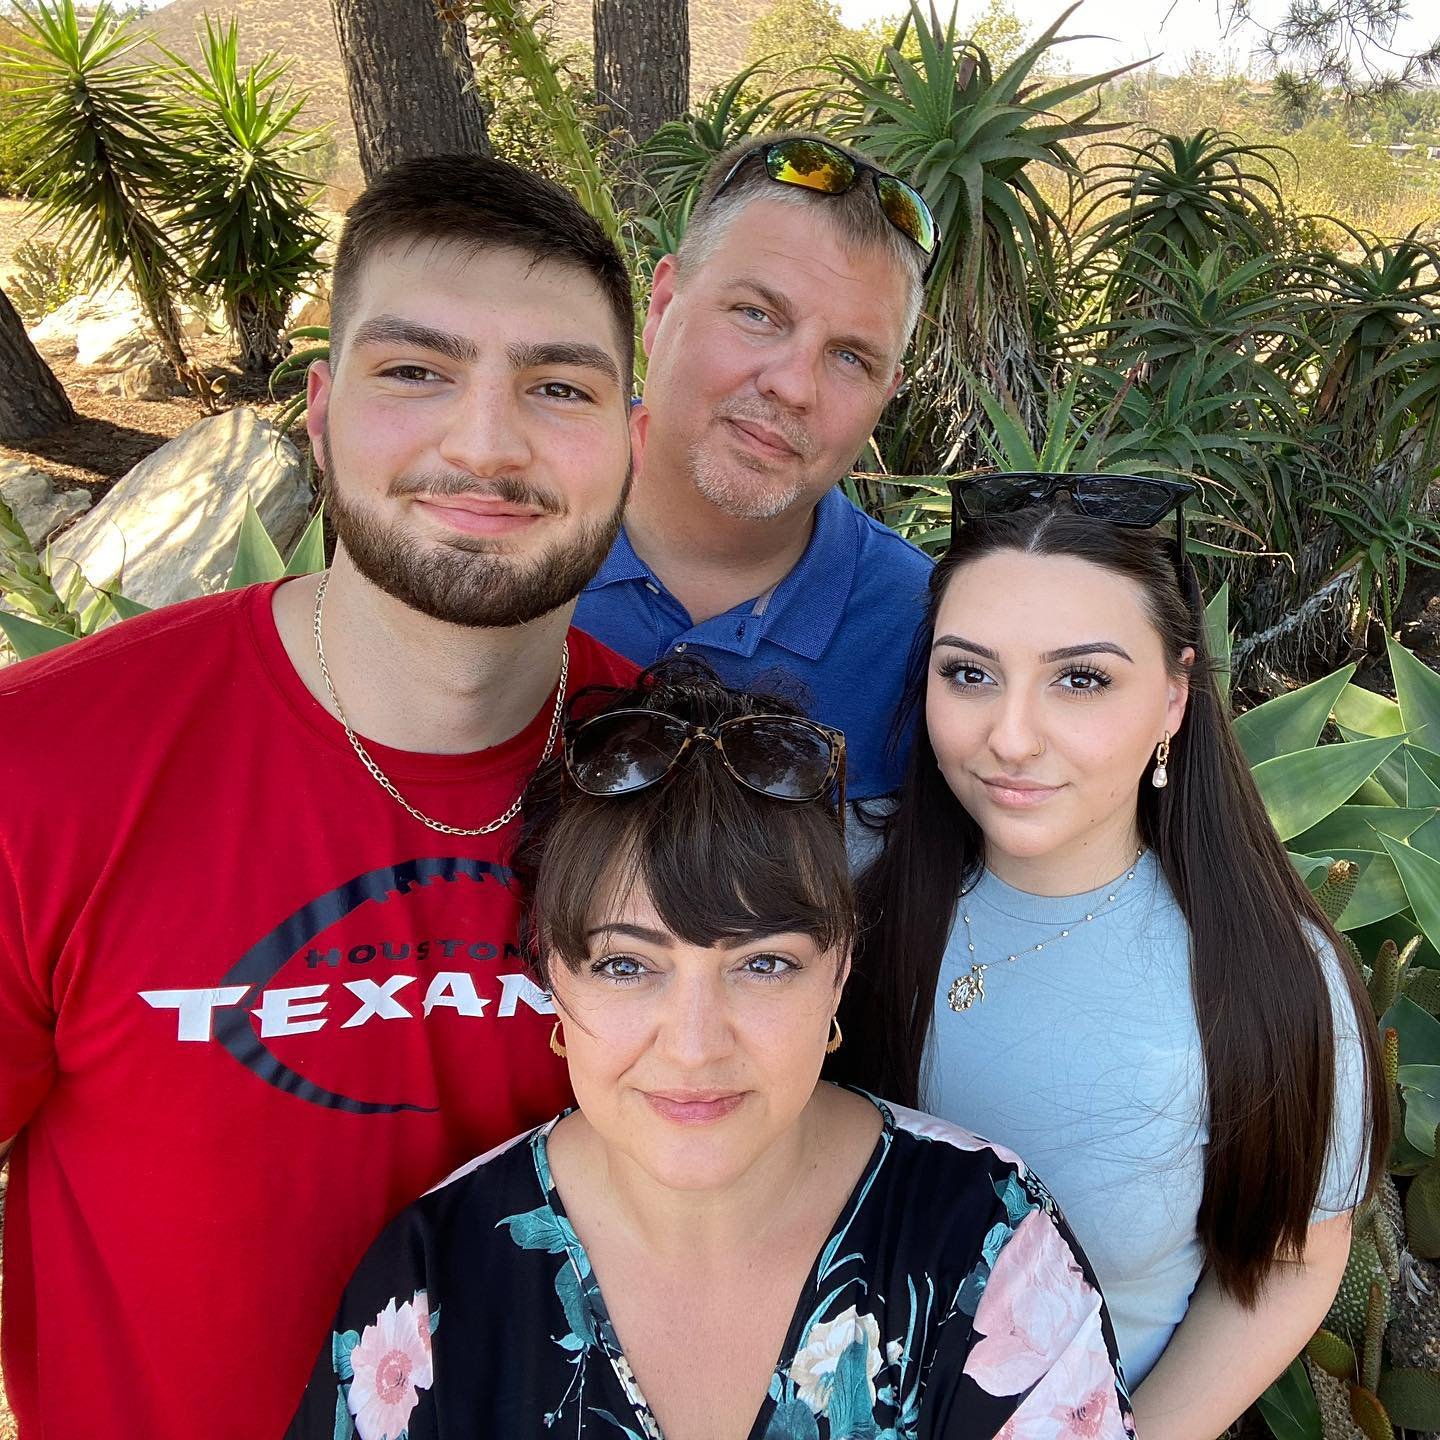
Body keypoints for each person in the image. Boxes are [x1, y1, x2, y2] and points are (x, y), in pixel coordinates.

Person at [0, 154, 644, 1438]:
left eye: (558, 386)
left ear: (632, 438)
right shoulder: (46, 766)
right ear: (317, 410)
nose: (486, 440)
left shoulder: (681, 772)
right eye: (415, 371)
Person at [286, 661, 1135, 1440]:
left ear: (838, 971)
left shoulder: (986, 1241)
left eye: (764, 965)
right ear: (553, 976)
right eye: (626, 966)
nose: (694, 1047)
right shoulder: (431, 1281)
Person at [832, 473, 1389, 1438]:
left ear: (1173, 698)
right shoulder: (836, 883)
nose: (1010, 736)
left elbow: (1295, 1257)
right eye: (969, 673)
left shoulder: (1266, 973)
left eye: (1080, 679)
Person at [574, 133, 935, 806]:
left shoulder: (924, 639)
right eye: (757, 315)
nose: (795, 385)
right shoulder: (500, 525)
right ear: (661, 308)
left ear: (885, 398)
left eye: (851, 357)